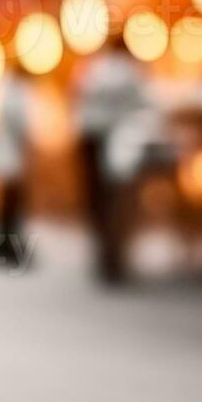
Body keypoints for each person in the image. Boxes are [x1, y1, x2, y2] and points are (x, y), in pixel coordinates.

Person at [73, 32, 151, 284]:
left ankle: (105, 255)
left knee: (97, 202)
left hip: (90, 142)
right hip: (119, 144)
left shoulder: (93, 69)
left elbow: (78, 99)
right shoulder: (132, 72)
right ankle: (116, 255)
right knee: (118, 201)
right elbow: (146, 105)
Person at [0, 67, 33, 267]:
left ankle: (7, 243)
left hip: (5, 158)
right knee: (10, 205)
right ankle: (8, 245)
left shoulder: (3, 90)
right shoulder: (15, 93)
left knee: (8, 205)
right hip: (10, 159)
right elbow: (19, 124)